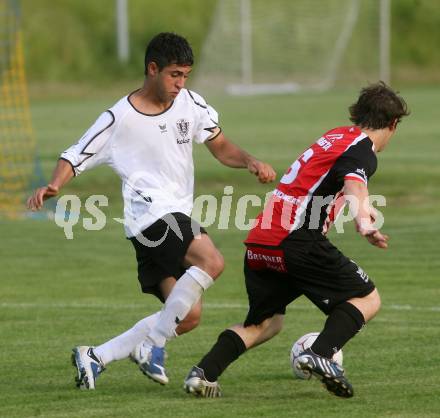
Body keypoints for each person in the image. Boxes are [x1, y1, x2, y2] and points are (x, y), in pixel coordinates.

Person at [27, 32, 276, 390]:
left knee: (186, 316)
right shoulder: (119, 118)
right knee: (213, 262)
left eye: (186, 75)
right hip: (149, 216)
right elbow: (75, 153)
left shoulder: (190, 103)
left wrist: (249, 160)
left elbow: (220, 145)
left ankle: (95, 356)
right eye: (174, 74)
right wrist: (55, 184)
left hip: (172, 214)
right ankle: (151, 346)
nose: (180, 83)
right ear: (153, 69)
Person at [183, 81, 409, 399]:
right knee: (367, 299)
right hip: (297, 241)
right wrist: (364, 222)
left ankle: (203, 373)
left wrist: (363, 210)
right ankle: (320, 352)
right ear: (393, 124)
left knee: (266, 323)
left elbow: (344, 185)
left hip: (262, 240)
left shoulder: (335, 136)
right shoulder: (362, 150)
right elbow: (355, 184)